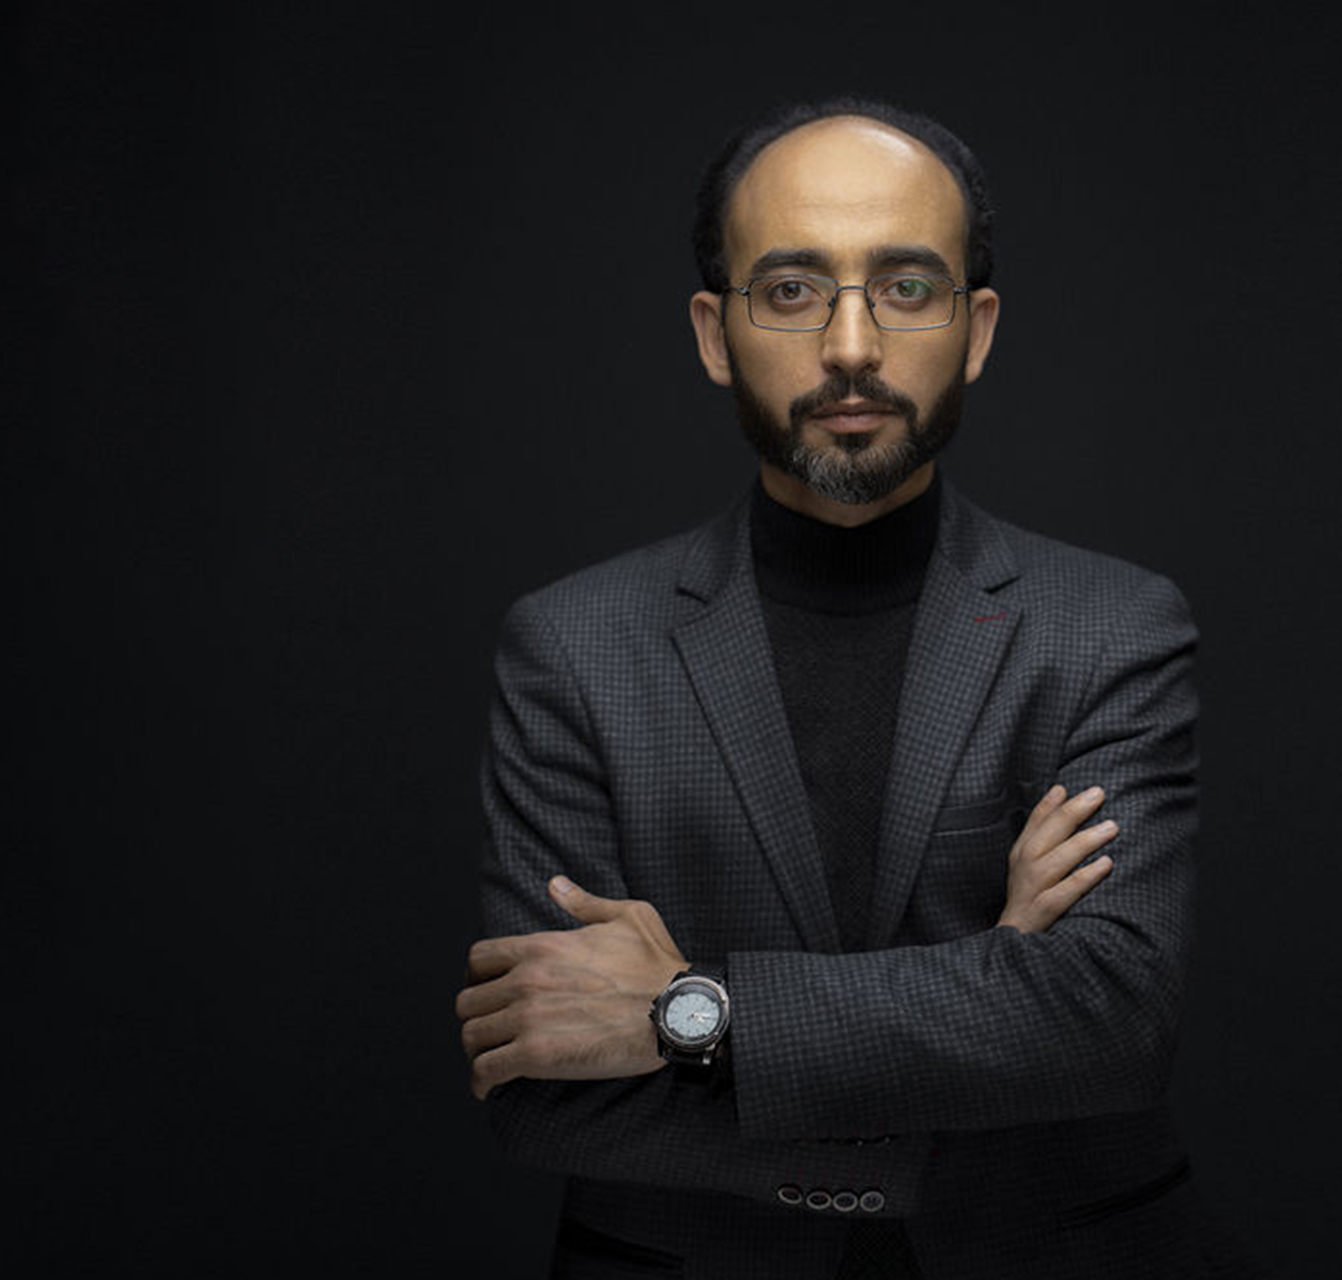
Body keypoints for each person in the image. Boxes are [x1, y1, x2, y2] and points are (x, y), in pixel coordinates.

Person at [455, 98, 1247, 1279]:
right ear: (714, 333)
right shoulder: (572, 646)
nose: (852, 345)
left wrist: (692, 1012)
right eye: (791, 289)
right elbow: (541, 1079)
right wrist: (998, 982)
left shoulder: (1110, 627)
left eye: (907, 286)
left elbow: (1110, 1019)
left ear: (976, 329)